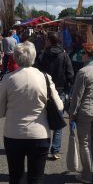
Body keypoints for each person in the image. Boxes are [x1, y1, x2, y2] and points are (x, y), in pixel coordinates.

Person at [0, 41, 63, 184]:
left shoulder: (9, 78)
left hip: (13, 134)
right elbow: (59, 106)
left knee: (16, 177)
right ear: (34, 57)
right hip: (39, 134)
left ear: (16, 58)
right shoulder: (45, 78)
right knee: (35, 181)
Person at [68, 43, 93, 184]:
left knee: (84, 142)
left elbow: (76, 96)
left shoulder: (83, 72)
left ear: (89, 55)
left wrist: (72, 113)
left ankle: (86, 174)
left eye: (83, 53)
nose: (82, 55)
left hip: (85, 111)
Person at [37, 31, 74, 160]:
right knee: (58, 120)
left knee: (43, 119)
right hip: (60, 90)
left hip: (44, 89)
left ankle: (42, 147)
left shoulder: (42, 55)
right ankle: (55, 150)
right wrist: (68, 88)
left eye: (46, 39)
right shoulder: (64, 55)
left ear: (49, 41)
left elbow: (37, 71)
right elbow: (70, 74)